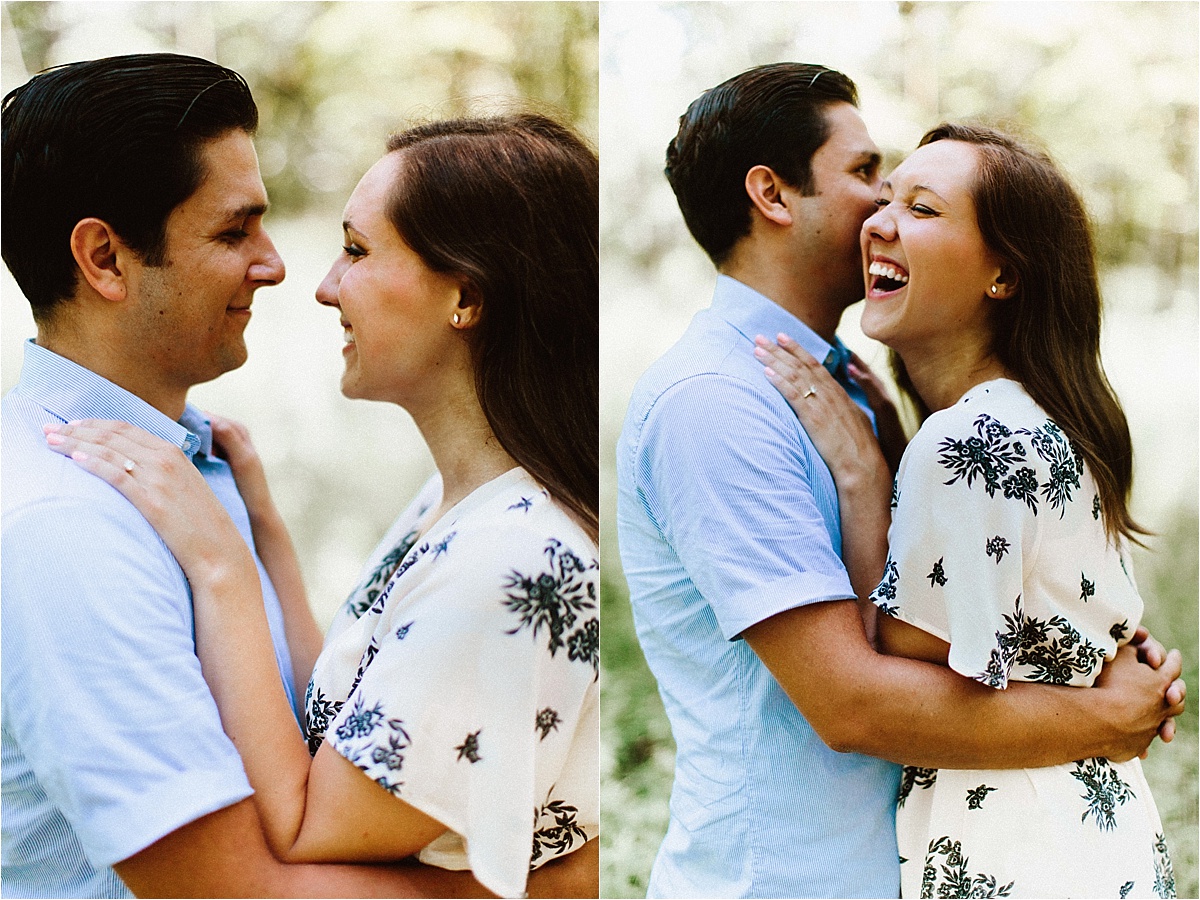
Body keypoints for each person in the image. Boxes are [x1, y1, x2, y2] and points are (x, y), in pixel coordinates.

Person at [2, 53, 596, 898]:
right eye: (233, 231)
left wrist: (246, 554)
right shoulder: (67, 527)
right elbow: (231, 886)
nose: (288, 272)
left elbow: (321, 753)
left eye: (353, 250)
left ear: (467, 296)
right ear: (104, 258)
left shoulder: (191, 472)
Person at [615, 62, 1185, 898]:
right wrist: (1108, 714)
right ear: (772, 196)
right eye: (866, 175)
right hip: (791, 879)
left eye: (909, 198)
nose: (879, 208)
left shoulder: (864, 392)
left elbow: (992, 614)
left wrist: (1096, 653)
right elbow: (854, 703)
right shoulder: (718, 404)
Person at [757, 123, 1176, 898]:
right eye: (883, 199)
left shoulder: (966, 442)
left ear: (1003, 277)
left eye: (922, 208)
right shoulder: (1042, 419)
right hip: (1098, 831)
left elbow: (899, 671)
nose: (879, 223)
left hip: (1014, 848)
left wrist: (861, 479)